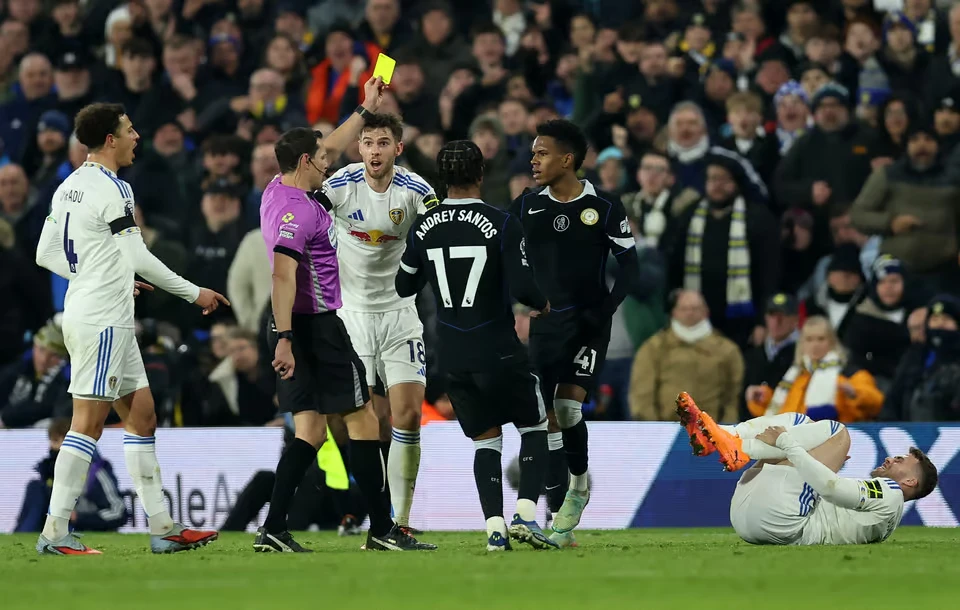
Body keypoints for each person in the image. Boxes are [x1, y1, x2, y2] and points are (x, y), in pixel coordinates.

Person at [33, 102, 227, 555]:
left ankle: (162, 528)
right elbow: (138, 255)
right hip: (104, 320)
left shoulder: (68, 187)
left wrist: (106, 271)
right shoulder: (114, 188)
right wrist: (193, 292)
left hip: (92, 311)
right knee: (87, 424)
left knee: (141, 417)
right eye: (130, 129)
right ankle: (55, 532)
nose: (137, 136)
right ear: (110, 140)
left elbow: (47, 252)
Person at [255, 76, 433, 553]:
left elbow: (324, 145)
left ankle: (273, 526)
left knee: (310, 432)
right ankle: (382, 529)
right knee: (362, 422)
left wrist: (363, 107)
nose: (333, 158)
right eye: (324, 157)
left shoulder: (277, 188)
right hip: (319, 326)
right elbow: (282, 277)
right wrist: (286, 337)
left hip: (306, 327)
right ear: (307, 163)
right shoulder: (307, 213)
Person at [395, 139, 556, 551]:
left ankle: (494, 531)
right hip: (498, 347)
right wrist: (542, 304)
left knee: (486, 441)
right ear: (481, 174)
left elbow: (403, 284)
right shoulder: (502, 222)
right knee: (535, 425)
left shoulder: (423, 226)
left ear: (441, 179)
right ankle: (524, 515)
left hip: (452, 354)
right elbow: (523, 286)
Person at [510, 119, 638, 545]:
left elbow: (630, 267)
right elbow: (503, 254)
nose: (533, 160)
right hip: (546, 325)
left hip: (588, 324)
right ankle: (555, 511)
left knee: (566, 412)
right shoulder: (527, 206)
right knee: (543, 417)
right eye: (533, 153)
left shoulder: (602, 206)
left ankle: (578, 490)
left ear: (567, 159)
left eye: (541, 153)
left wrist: (604, 310)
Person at [325, 113, 439, 533]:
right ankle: (368, 510)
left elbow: (440, 232)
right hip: (350, 317)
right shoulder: (340, 185)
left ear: (398, 149)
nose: (375, 150)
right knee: (353, 420)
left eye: (383, 143)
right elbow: (305, 219)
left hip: (399, 314)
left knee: (407, 416)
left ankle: (401, 521)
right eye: (368, 142)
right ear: (359, 149)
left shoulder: (416, 190)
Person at [677, 393, 939, 545]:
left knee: (838, 432)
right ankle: (724, 436)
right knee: (802, 422)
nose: (891, 459)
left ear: (910, 483)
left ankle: (738, 446)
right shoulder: (883, 508)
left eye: (901, 461)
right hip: (752, 521)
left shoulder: (891, 493)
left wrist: (789, 445)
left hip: (781, 521)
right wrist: (817, 456)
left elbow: (830, 488)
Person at [629, 290, 742, 423]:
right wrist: (655, 431)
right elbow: (642, 397)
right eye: (684, 308)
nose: (689, 312)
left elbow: (733, 397)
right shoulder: (653, 348)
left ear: (706, 312)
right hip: (666, 431)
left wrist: (726, 430)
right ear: (674, 312)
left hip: (712, 432)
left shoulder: (727, 350)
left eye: (695, 308)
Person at [745, 316, 883, 423]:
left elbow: (877, 403)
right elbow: (779, 415)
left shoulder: (848, 373)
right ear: (802, 344)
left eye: (820, 339)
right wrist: (761, 400)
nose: (815, 345)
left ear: (832, 342)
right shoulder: (795, 375)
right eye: (809, 339)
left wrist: (855, 394)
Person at [16, 418, 127, 533]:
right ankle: (22, 536)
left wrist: (78, 517)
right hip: (57, 526)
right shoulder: (48, 471)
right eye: (52, 441)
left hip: (84, 528)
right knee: (35, 487)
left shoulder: (95, 472)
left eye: (57, 441)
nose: (53, 447)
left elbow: (118, 513)